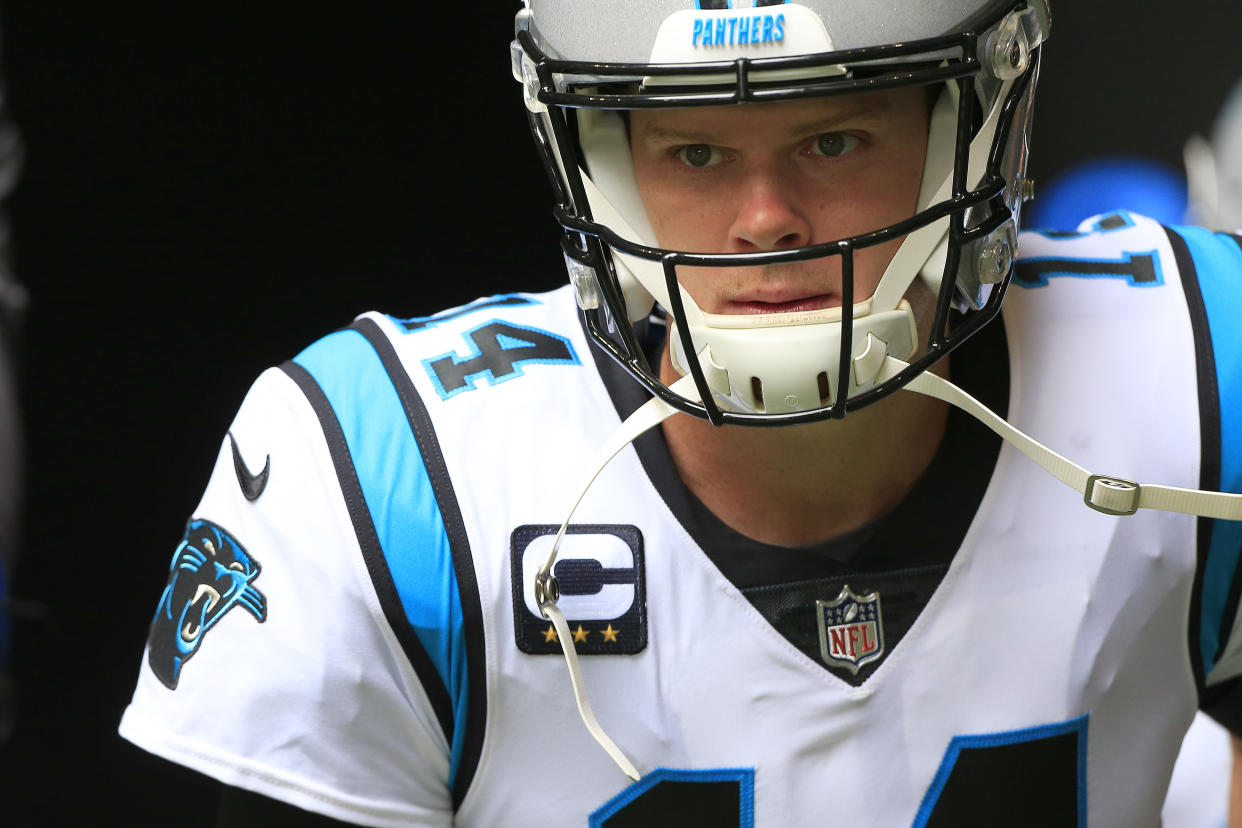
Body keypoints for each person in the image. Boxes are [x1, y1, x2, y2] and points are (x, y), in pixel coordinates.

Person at [118, 1, 1242, 825]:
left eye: (834, 138)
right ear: (598, 160)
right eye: (696, 151)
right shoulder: (386, 472)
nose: (766, 219)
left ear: (978, 123)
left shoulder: (1202, 362)